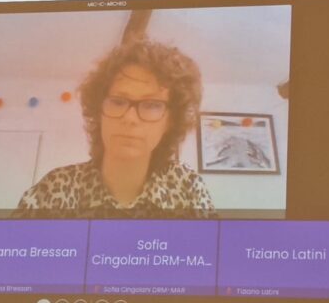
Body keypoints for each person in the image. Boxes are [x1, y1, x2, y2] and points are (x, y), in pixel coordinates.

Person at [14, 40, 215, 219]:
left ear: (170, 121)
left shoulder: (187, 187)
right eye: (118, 101)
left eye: (152, 105)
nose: (130, 118)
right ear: (99, 111)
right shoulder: (55, 188)